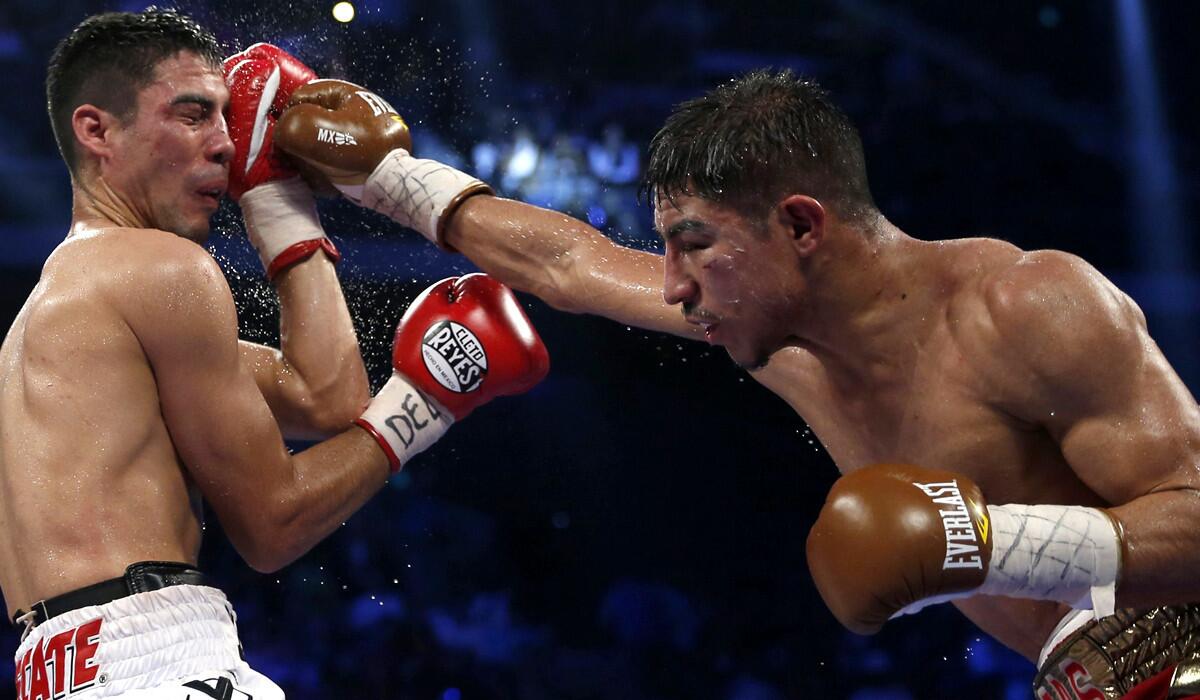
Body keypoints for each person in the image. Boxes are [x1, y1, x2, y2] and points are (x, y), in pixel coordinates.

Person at [272, 71, 1200, 698]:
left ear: (800, 226)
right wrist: (389, 178)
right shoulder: (778, 332)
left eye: (694, 245)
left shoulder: (1030, 304)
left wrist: (991, 543)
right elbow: (574, 265)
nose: (674, 286)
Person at [0, 12, 548, 699]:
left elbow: (327, 399)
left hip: (68, 669)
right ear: (96, 130)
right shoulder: (159, 270)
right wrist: (426, 402)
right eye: (193, 113)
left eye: (230, 120)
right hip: (152, 659)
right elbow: (273, 524)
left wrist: (272, 194)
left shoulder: (66, 307)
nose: (226, 144)